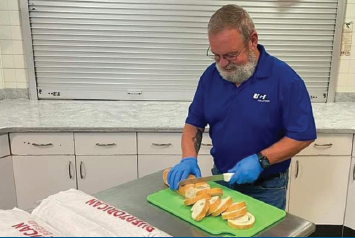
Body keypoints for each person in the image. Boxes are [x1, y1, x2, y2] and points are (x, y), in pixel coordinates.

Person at [167, 4, 317, 210]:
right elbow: (194, 123)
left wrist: (261, 160)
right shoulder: (211, 76)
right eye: (216, 55)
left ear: (252, 40)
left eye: (230, 55)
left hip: (266, 187)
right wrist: (188, 158)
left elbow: (302, 135)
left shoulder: (284, 80)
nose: (223, 64)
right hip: (221, 179)